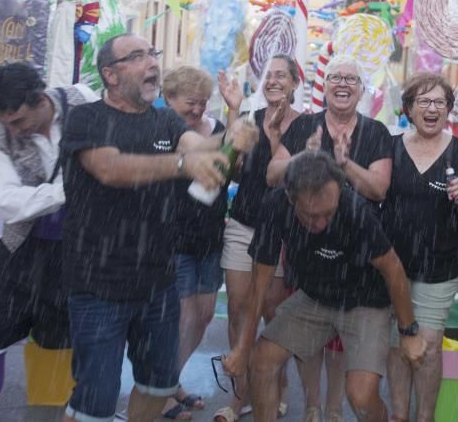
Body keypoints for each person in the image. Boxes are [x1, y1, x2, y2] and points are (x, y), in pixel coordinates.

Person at [58, 33, 257, 422]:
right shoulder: (87, 118)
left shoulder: (164, 119)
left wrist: (230, 135)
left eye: (153, 53)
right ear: (110, 75)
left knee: (158, 385)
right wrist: (180, 166)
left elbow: (199, 148)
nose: (152, 62)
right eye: (137, 56)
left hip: (157, 282)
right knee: (94, 399)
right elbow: (110, 168)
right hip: (98, 283)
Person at [223, 151, 427, 422]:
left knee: (361, 397)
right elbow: (258, 287)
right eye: (311, 215)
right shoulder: (274, 206)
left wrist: (409, 333)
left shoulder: (354, 209)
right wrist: (241, 349)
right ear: (289, 197)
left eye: (328, 214)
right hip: (314, 298)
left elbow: (394, 270)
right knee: (260, 361)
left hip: (365, 302)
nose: (321, 223)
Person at [0, 62, 97, 422]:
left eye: (19, 121)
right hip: (21, 251)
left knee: (59, 343)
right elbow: (11, 205)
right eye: (7, 122)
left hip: (76, 249)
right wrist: (65, 190)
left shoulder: (83, 101)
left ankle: (51, 416)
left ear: (41, 100)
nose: (13, 130)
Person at [268, 55, 393, 422]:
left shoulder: (376, 133)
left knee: (339, 342)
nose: (342, 84)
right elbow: (272, 174)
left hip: (356, 252)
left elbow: (378, 189)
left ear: (361, 89)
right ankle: (311, 405)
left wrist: (344, 164)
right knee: (308, 339)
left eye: (351, 79)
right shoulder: (304, 126)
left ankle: (335, 408)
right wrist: (303, 158)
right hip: (305, 246)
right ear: (324, 85)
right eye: (335, 77)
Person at [381, 73, 458, 422]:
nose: (431, 108)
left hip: (439, 264)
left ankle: (424, 417)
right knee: (397, 343)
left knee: (428, 343)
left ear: (449, 109)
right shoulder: (390, 147)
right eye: (422, 101)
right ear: (408, 108)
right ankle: (398, 415)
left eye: (439, 102)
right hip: (392, 263)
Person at [214, 55, 300, 422]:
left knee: (271, 314)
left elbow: (280, 177)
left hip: (282, 231)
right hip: (243, 223)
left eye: (282, 76)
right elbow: (227, 169)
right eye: (269, 76)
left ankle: (274, 385)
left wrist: (278, 136)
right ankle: (240, 395)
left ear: (296, 82)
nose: (274, 81)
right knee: (237, 309)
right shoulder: (249, 118)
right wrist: (234, 111)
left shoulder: (305, 124)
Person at [159, 66, 235, 420]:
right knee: (181, 315)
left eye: (203, 103)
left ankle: (169, 382)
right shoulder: (162, 128)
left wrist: (233, 111)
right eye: (190, 103)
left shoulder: (218, 128)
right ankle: (161, 393)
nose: (197, 110)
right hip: (172, 237)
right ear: (169, 99)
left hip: (209, 236)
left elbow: (232, 167)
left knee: (203, 316)